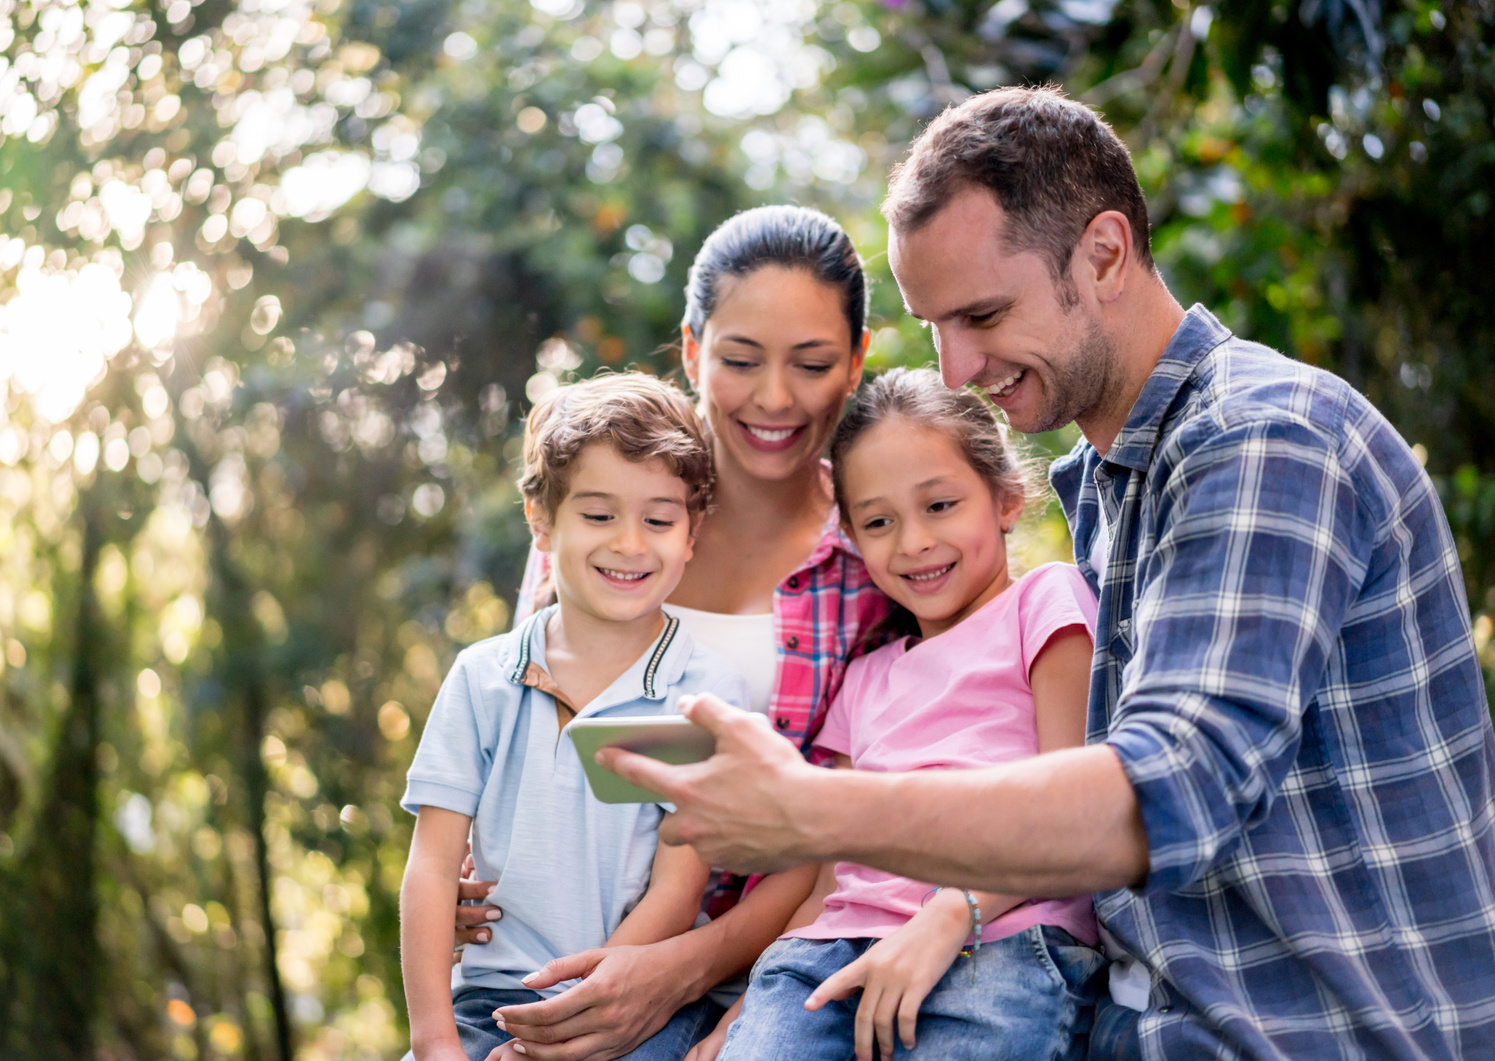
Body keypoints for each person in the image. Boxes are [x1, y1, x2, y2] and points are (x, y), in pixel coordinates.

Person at [600, 86, 1495, 1061]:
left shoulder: (1259, 439)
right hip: (1126, 1019)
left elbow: (1170, 790)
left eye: (981, 312)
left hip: (1302, 1030)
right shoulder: (1112, 485)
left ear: (1103, 253)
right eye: (933, 322)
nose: (953, 368)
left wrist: (809, 809)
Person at [447, 206, 895, 1061]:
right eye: (738, 359)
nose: (773, 397)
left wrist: (679, 967)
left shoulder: (879, 554)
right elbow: (509, 747)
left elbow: (846, 839)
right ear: (691, 350)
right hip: (543, 967)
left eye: (810, 363)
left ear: (855, 362)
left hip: (764, 984)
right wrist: (456, 877)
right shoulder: (610, 532)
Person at [709, 367, 1104, 1061]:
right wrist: (738, 1019)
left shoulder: (1045, 601)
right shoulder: (863, 677)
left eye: (940, 505)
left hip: (1000, 938)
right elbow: (831, 879)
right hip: (828, 954)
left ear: (1006, 498)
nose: (913, 541)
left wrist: (956, 911)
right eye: (879, 521)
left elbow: (1077, 811)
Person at [398, 373, 750, 1061]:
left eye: (658, 519)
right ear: (541, 521)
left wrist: (570, 1020)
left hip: (633, 1001)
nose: (628, 544)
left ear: (691, 533)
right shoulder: (481, 678)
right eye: (598, 515)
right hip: (487, 1002)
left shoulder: (702, 690)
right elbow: (432, 868)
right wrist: (436, 1042)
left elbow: (676, 895)